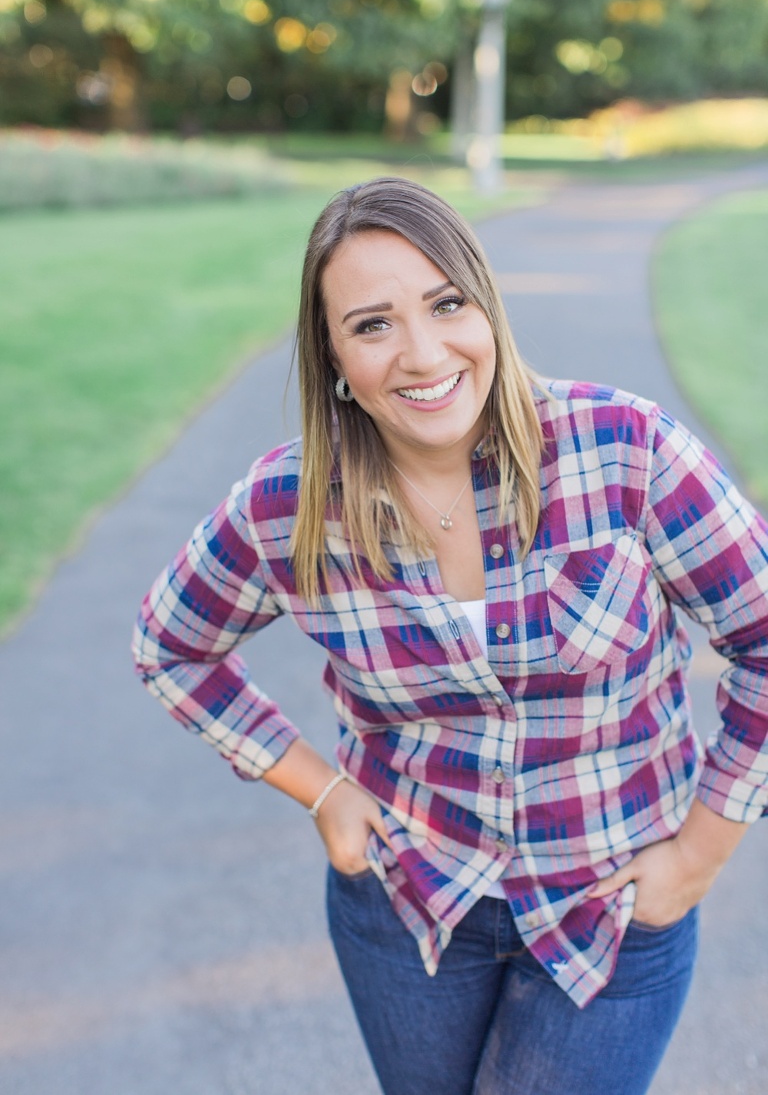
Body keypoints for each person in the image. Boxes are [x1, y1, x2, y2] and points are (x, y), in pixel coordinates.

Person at [132, 177, 768, 1095]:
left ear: (487, 306)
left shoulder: (624, 450)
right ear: (335, 359)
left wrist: (702, 853)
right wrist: (321, 792)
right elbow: (170, 644)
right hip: (408, 906)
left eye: (445, 304)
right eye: (373, 324)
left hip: (614, 908)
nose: (423, 353)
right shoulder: (292, 504)